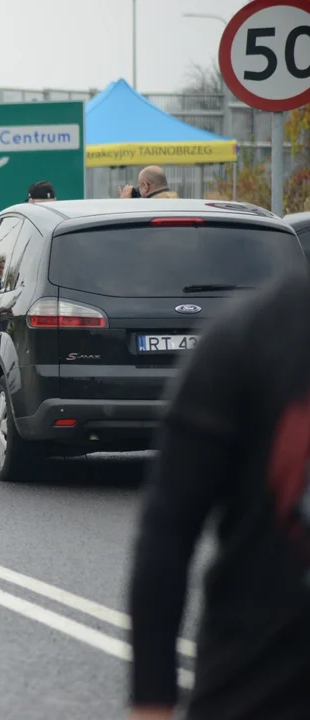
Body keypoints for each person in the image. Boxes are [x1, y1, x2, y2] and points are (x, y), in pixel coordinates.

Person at [127, 269, 310, 720]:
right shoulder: (253, 337)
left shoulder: (243, 331)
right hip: (262, 686)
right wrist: (152, 700)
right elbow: (168, 531)